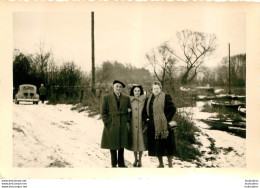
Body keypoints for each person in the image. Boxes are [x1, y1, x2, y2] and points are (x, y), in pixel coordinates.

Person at [143, 81, 177, 168]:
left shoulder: (166, 97)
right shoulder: (148, 99)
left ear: (160, 88)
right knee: (157, 146)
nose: (156, 90)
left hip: (164, 126)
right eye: (154, 88)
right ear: (152, 89)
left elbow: (172, 109)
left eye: (158, 88)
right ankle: (161, 164)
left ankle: (170, 164)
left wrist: (166, 119)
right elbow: (144, 112)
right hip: (153, 126)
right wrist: (147, 119)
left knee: (167, 145)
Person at [101, 80, 131, 168]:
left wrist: (127, 119)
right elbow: (103, 112)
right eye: (117, 86)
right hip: (111, 124)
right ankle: (113, 163)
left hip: (122, 124)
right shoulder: (106, 97)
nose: (118, 88)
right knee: (112, 144)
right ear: (113, 87)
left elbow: (129, 111)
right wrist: (107, 122)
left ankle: (121, 163)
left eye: (120, 87)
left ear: (122, 89)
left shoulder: (126, 98)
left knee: (122, 144)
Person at [129, 85, 147, 167]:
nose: (137, 92)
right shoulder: (129, 100)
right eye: (135, 91)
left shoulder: (144, 100)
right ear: (133, 91)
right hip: (132, 124)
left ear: (141, 92)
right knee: (134, 143)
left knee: (141, 142)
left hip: (141, 124)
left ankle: (140, 160)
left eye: (138, 91)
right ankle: (135, 159)